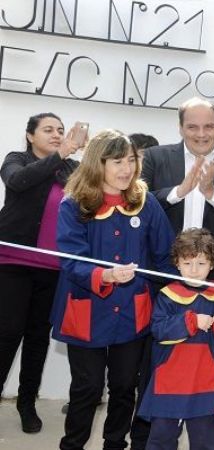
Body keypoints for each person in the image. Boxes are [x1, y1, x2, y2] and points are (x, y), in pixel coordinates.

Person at [50, 130, 175, 450]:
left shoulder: (145, 202)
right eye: (117, 161)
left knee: (124, 386)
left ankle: (115, 444)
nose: (126, 169)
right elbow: (71, 260)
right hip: (86, 311)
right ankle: (72, 445)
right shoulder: (74, 204)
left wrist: (188, 281)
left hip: (133, 313)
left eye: (131, 160)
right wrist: (103, 275)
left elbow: (165, 256)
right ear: (98, 163)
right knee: (88, 388)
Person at [0, 113, 83, 433]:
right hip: (13, 262)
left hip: (53, 268)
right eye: (48, 130)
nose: (56, 134)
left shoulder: (70, 168)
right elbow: (18, 181)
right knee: (7, 333)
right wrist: (62, 153)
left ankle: (26, 403)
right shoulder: (16, 160)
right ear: (30, 135)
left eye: (60, 130)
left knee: (37, 338)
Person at [142, 97, 214, 293]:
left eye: (209, 126)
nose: (201, 134)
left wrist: (212, 193)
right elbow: (139, 206)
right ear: (180, 128)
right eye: (192, 127)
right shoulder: (154, 157)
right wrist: (178, 192)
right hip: (162, 273)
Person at [137, 228, 214, 450]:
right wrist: (192, 321)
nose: (194, 270)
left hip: (206, 379)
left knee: (205, 441)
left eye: (201, 263)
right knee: (161, 438)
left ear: (212, 264)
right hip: (170, 378)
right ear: (177, 264)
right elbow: (158, 330)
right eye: (187, 263)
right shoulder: (167, 294)